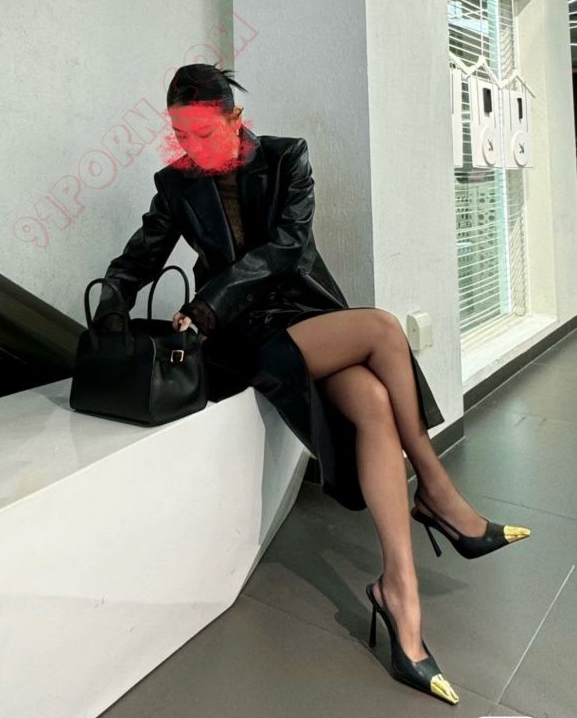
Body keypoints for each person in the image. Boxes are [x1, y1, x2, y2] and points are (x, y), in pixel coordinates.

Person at [93, 63, 531, 705]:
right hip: (240, 332)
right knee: (383, 328)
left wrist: (209, 299)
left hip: (300, 312)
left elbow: (286, 247)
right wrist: (111, 302)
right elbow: (139, 257)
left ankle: (398, 591)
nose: (191, 147)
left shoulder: (286, 158)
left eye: (203, 133)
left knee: (374, 400)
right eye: (180, 134)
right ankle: (438, 493)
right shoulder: (177, 183)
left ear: (235, 120)